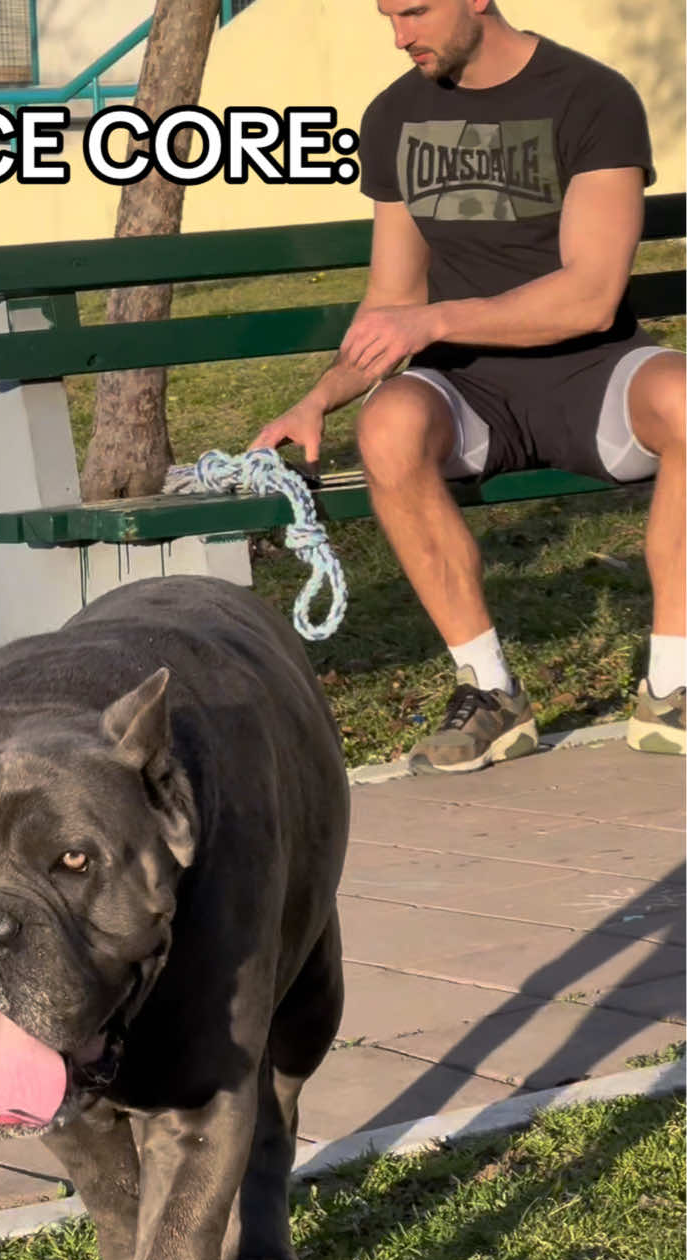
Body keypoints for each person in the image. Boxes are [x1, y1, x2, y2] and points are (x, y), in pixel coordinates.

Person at [252, 0, 686, 772]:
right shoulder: (394, 117)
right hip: (467, 391)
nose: (399, 35)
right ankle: (489, 693)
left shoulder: (593, 97)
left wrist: (437, 319)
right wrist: (320, 395)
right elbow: (394, 299)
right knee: (387, 428)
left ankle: (674, 686)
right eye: (387, 16)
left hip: (591, 372)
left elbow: (591, 295)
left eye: (414, 12)